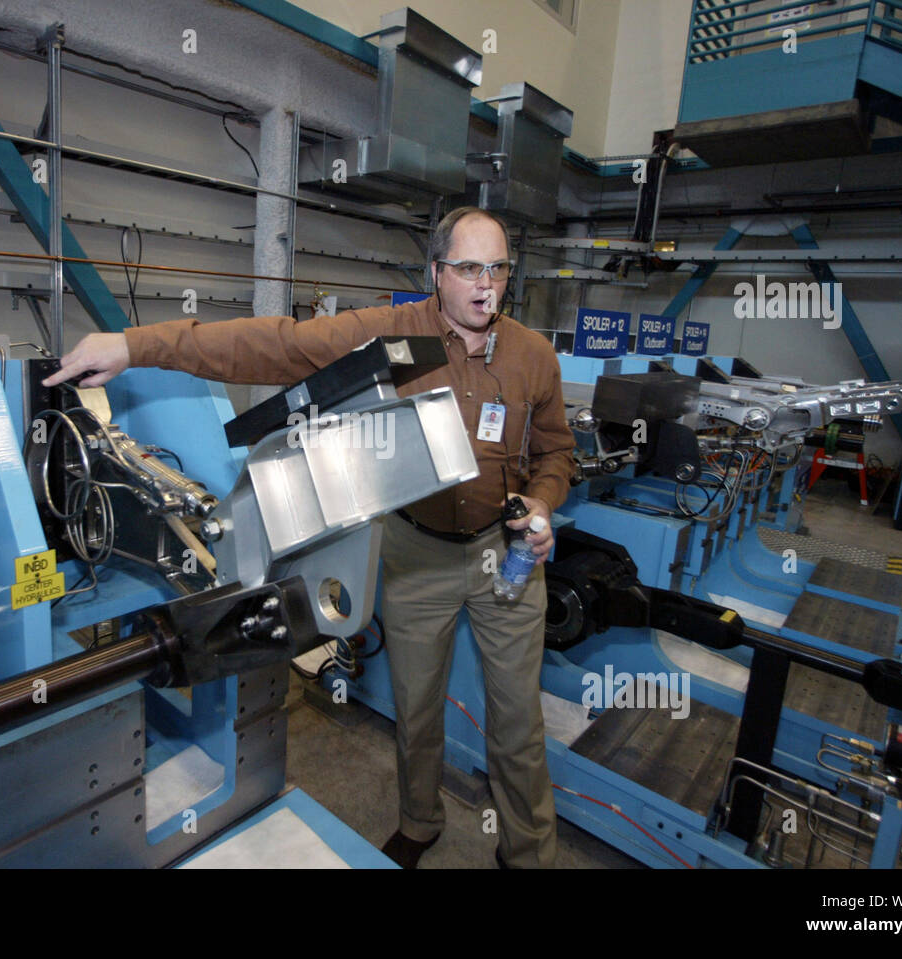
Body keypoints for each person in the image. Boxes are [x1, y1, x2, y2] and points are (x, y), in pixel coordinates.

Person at [44, 206, 577, 868]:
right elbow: (277, 343)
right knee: (414, 708)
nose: (485, 284)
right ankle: (419, 821)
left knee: (519, 723)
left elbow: (558, 452)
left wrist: (543, 503)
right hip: (415, 555)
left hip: (508, 552)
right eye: (469, 268)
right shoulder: (391, 335)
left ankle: (528, 853)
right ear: (435, 272)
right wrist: (135, 345)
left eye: (498, 269)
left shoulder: (533, 356)